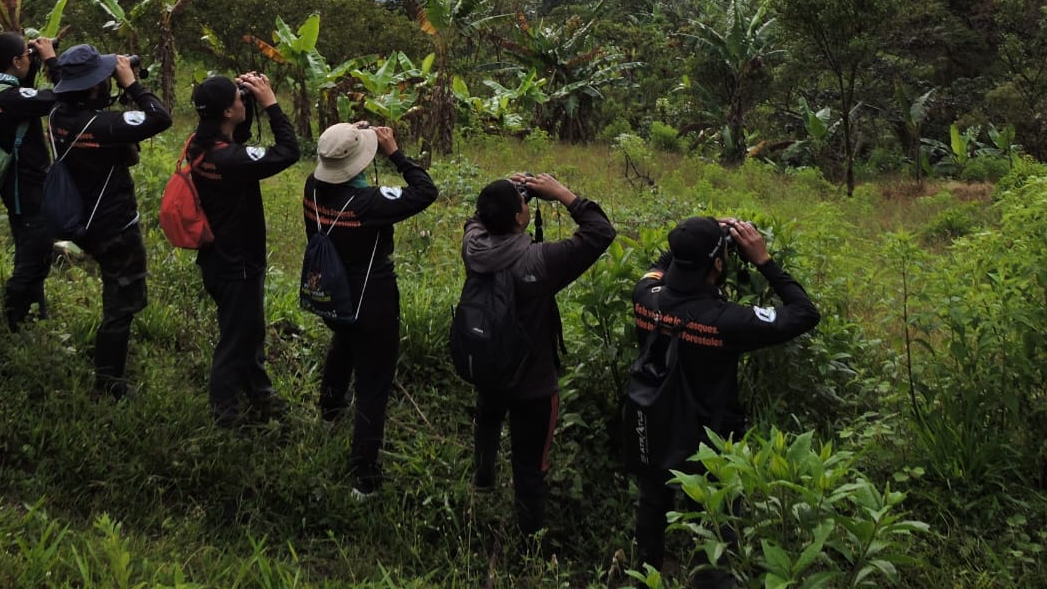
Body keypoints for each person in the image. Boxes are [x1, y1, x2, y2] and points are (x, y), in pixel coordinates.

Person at [630, 217, 820, 575]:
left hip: (652, 424)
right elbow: (804, 313)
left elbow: (657, 269)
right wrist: (764, 260)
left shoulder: (645, 297)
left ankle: (646, 573)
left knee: (652, 502)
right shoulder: (727, 320)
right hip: (708, 437)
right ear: (718, 264)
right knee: (715, 520)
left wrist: (689, 243)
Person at [463, 172, 615, 536]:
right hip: (533, 382)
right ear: (519, 217)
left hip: (489, 362)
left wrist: (501, 195)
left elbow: (476, 218)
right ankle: (529, 535)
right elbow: (600, 232)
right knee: (531, 461)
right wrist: (562, 193)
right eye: (523, 204)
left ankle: (483, 478)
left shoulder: (473, 247)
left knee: (487, 419)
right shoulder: (541, 261)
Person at [302, 120, 438, 497]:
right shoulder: (369, 203)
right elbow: (426, 191)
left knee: (343, 345)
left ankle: (329, 414)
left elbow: (336, 163)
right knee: (373, 384)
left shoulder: (312, 188)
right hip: (372, 299)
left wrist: (350, 138)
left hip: (329, 290)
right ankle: (365, 478)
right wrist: (394, 152)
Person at [47, 44, 172, 397]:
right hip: (115, 227)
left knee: (115, 292)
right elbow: (160, 117)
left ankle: (109, 371)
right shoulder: (104, 125)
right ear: (92, 87)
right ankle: (109, 382)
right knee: (120, 304)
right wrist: (132, 84)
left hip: (79, 218)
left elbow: (69, 88)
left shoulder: (58, 115)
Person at [187, 71, 299, 426]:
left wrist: (244, 105)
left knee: (247, 329)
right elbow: (288, 152)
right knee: (236, 340)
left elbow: (239, 144)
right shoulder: (231, 161)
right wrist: (271, 103)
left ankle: (259, 391)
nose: (242, 102)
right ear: (226, 113)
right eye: (237, 100)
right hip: (238, 263)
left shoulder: (199, 145)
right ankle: (226, 416)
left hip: (217, 258)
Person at [0, 31, 59, 330]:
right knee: (34, 253)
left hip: (15, 185)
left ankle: (33, 312)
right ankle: (14, 319)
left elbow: (27, 90)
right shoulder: (11, 98)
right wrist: (51, 61)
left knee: (30, 247)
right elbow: (59, 96)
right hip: (27, 188)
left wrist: (33, 60)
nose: (30, 57)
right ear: (14, 61)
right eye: (26, 54)